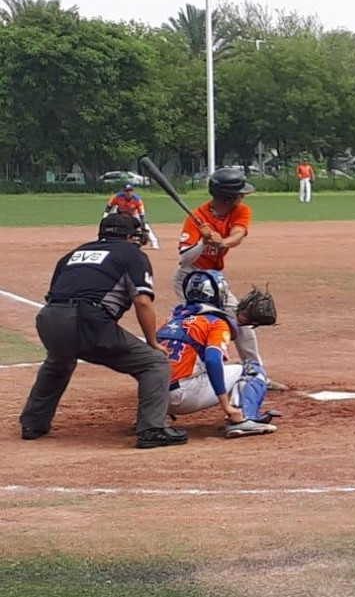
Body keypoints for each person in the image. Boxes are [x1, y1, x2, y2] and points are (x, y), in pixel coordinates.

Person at [19, 215, 187, 449]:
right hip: (87, 320)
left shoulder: (73, 254)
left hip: (48, 319)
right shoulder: (132, 254)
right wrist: (152, 342)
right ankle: (151, 429)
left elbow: (54, 295)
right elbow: (142, 302)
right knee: (155, 363)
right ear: (130, 237)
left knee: (59, 361)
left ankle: (33, 423)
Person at [173, 168, 287, 390]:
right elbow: (184, 259)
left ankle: (257, 373)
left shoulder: (240, 211)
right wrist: (203, 242)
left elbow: (238, 234)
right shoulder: (197, 218)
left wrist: (222, 242)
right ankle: (199, 376)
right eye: (239, 193)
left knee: (242, 321)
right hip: (191, 280)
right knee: (204, 325)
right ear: (228, 196)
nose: (243, 197)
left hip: (216, 280)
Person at [159, 270, 277, 438]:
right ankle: (243, 419)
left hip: (155, 396)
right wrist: (225, 406)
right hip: (183, 396)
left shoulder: (173, 317)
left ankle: (154, 417)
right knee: (250, 368)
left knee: (187, 362)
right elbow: (213, 361)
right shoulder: (215, 322)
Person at [104, 183, 159, 249]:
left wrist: (143, 226)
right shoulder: (117, 197)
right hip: (120, 213)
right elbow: (109, 206)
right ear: (123, 191)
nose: (129, 192)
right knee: (110, 222)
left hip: (133, 214)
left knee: (145, 225)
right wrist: (105, 216)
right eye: (127, 191)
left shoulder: (137, 199)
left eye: (130, 190)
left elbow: (142, 214)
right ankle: (106, 239)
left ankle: (154, 242)